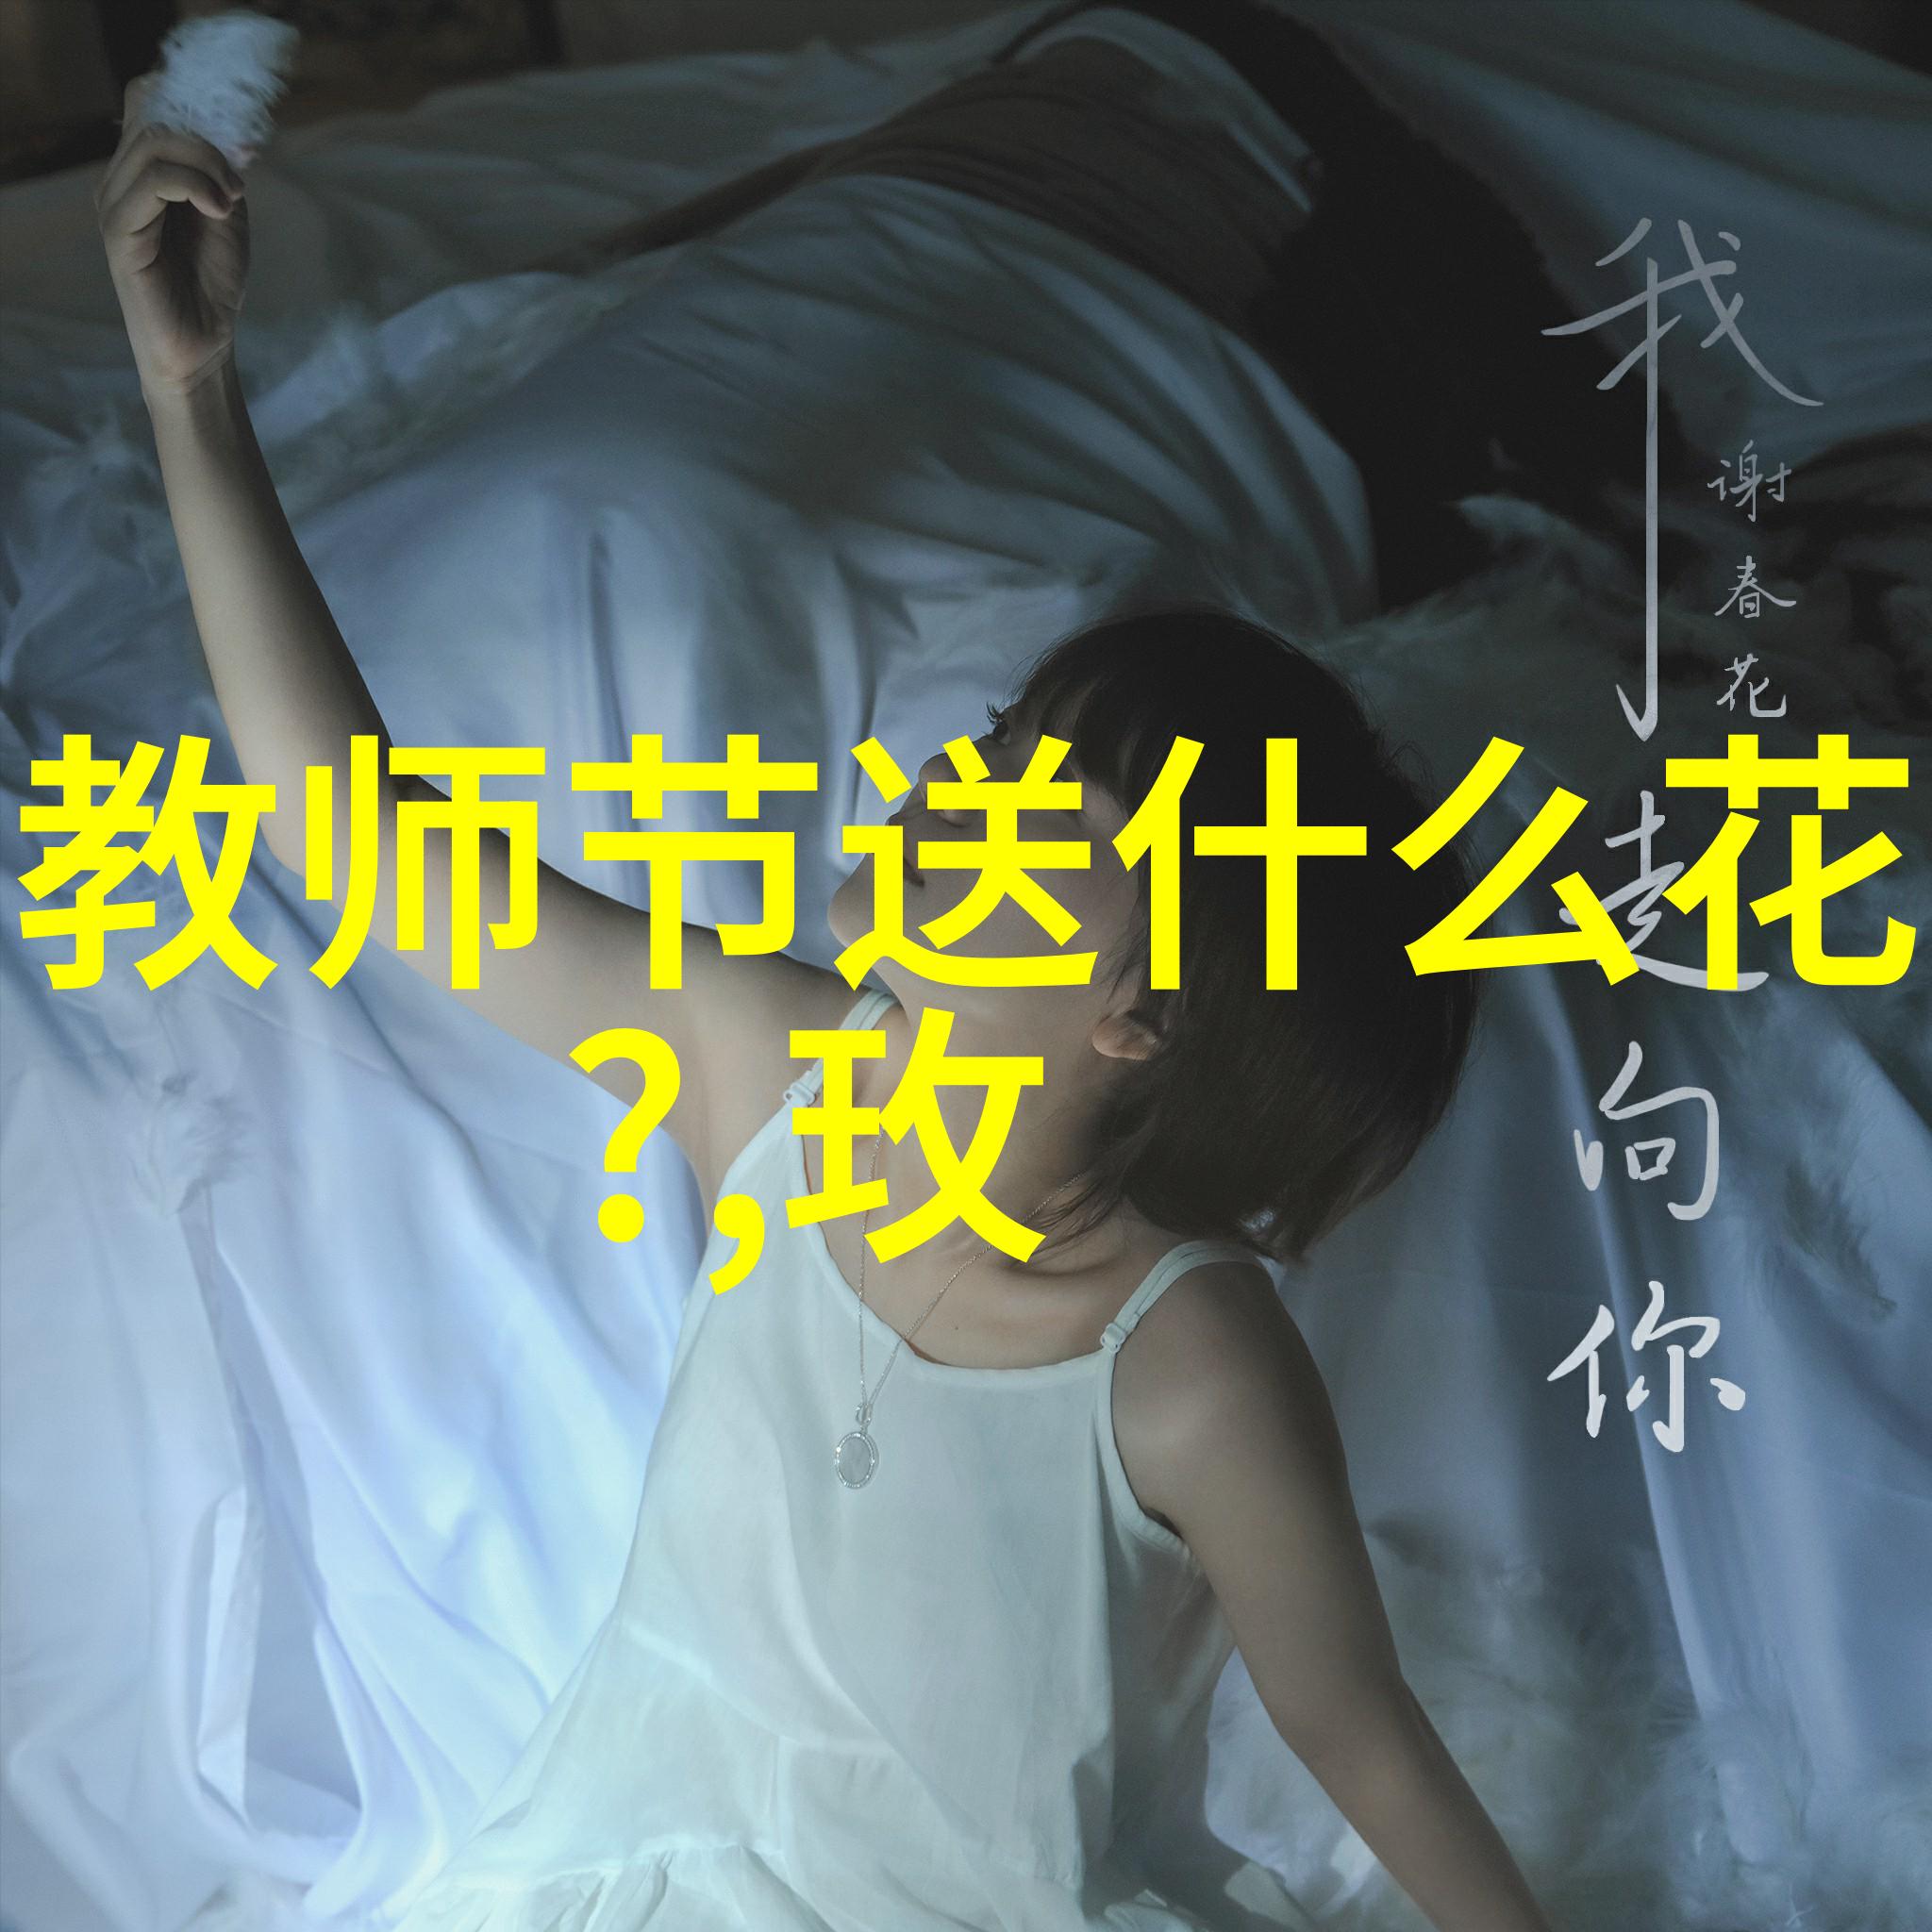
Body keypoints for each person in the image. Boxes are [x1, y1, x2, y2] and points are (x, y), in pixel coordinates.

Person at [94, 58, 1556, 1932]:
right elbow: (355, 835)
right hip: (637, 1881)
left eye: (1047, 803)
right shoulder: (776, 1069)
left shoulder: (1188, 1365)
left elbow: (1363, 1741)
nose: (961, 776)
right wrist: (193, 395)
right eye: (1005, 733)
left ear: (1145, 1010)